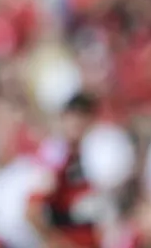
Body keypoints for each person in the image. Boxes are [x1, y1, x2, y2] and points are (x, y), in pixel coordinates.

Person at [26, 93, 101, 248]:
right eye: (73, 116)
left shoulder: (91, 154)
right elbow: (32, 212)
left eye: (83, 116)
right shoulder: (55, 156)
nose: (78, 122)